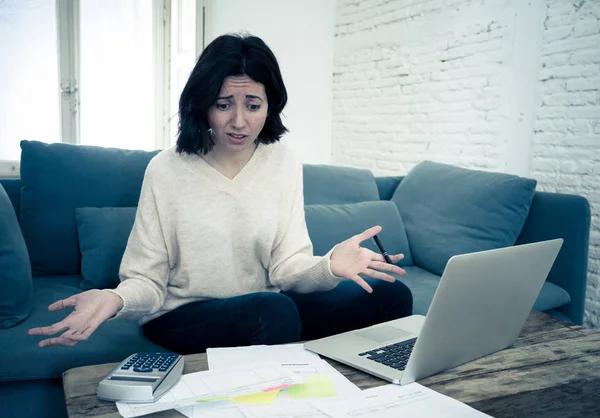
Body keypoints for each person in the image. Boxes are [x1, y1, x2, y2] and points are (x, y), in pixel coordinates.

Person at [28, 34, 413, 354]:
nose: (239, 121)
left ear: (270, 106)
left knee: (390, 295)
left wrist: (329, 265)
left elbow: (286, 267)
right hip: (182, 316)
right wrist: (115, 299)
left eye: (253, 105)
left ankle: (367, 402)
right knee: (273, 311)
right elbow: (147, 280)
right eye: (223, 105)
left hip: (266, 303)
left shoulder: (282, 160)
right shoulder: (167, 169)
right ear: (203, 105)